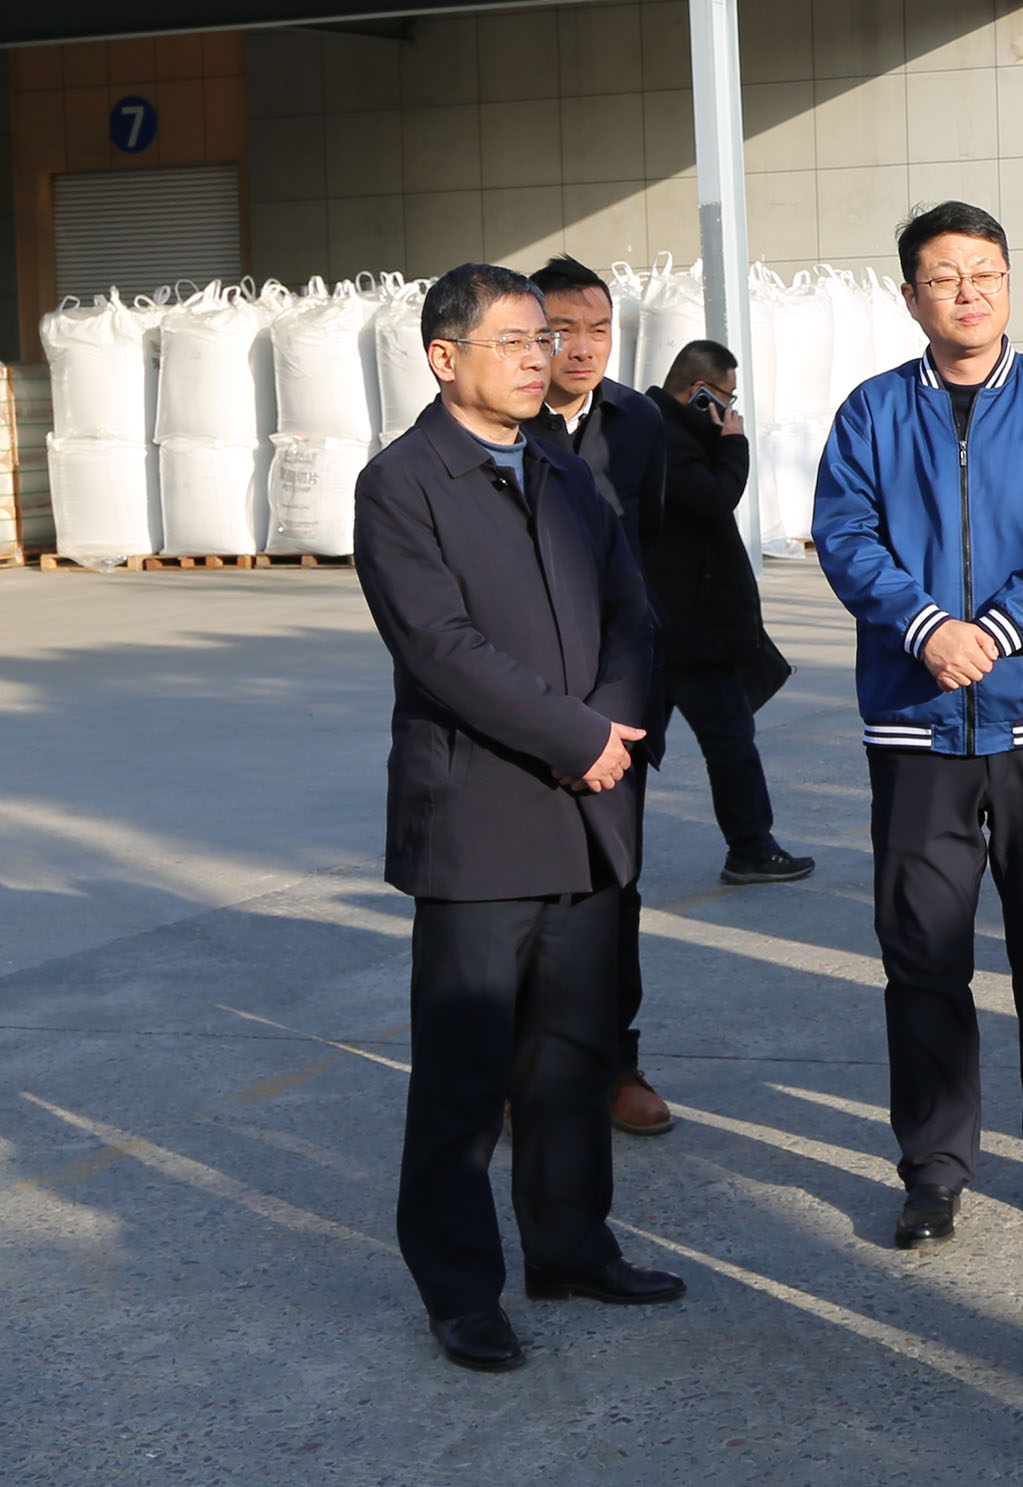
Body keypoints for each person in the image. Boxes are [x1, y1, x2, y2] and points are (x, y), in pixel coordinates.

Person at [353, 263, 684, 1375]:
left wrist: (613, 725)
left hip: (589, 810)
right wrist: (575, 735)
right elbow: (440, 647)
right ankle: (459, 1288)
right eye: (516, 341)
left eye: (545, 339)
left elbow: (634, 611)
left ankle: (571, 1245)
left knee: (570, 1058)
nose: (542, 358)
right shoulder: (402, 483)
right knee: (465, 1075)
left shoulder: (564, 467)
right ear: (444, 358)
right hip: (481, 820)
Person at [814, 201, 1023, 1251]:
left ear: (1010, 282)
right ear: (911, 297)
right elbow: (845, 535)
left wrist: (1001, 629)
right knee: (923, 955)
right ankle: (935, 1166)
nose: (967, 292)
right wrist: (926, 627)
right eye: (943, 276)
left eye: (984, 271)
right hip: (916, 725)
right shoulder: (871, 411)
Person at [524, 254, 677, 1139]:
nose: (581, 349)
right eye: (561, 332)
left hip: (620, 693)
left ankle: (617, 1061)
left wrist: (633, 698)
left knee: (616, 886)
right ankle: (524, 1069)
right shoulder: (504, 423)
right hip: (526, 695)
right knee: (525, 895)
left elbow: (646, 562)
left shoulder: (640, 423)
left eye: (598, 330)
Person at [643, 338, 816, 887]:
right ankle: (751, 849)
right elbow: (715, 499)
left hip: (679, 625)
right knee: (727, 744)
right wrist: (733, 443)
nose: (731, 408)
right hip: (690, 631)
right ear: (701, 393)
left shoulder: (666, 431)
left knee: (649, 745)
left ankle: (749, 847)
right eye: (726, 396)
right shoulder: (665, 437)